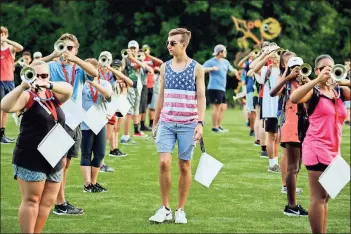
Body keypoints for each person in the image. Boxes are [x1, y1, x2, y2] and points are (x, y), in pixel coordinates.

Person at [1, 61, 73, 233]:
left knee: (48, 201)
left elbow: (69, 89)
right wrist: (22, 87)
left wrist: (48, 84)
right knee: (32, 200)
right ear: (29, 75)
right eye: (36, 75)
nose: (40, 79)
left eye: (44, 75)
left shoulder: (53, 94)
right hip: (31, 155)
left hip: (54, 154)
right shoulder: (27, 95)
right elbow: (5, 106)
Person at [149, 28, 205, 224]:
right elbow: (161, 95)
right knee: (164, 163)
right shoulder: (164, 67)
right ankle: (165, 208)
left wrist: (200, 123)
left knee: (184, 165)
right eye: (168, 42)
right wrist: (155, 123)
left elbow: (201, 97)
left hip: (189, 123)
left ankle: (180, 209)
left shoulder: (197, 68)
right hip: (167, 122)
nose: (168, 46)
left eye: (173, 43)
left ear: (184, 44)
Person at [290, 54, 350, 233]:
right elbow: (294, 98)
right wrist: (316, 80)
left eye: (331, 68)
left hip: (334, 150)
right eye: (324, 67)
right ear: (316, 70)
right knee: (318, 197)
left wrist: (342, 82)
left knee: (325, 197)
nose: (328, 71)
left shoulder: (338, 92)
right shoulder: (313, 92)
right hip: (316, 147)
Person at [41, 33, 98, 215]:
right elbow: (31, 67)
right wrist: (52, 55)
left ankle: (58, 200)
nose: (66, 51)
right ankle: (59, 203)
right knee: (60, 161)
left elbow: (95, 72)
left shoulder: (79, 70)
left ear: (76, 50)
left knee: (67, 164)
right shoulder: (52, 66)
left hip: (74, 120)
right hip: (57, 118)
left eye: (70, 47)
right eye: (63, 47)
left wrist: (75, 59)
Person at [270, 54, 308, 216]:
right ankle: (291, 205)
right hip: (291, 127)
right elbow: (273, 93)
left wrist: (307, 81)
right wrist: (288, 77)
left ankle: (292, 203)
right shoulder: (287, 85)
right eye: (295, 68)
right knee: (293, 168)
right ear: (290, 70)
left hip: (305, 128)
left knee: (298, 167)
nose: (298, 71)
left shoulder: (307, 83)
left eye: (300, 68)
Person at [80, 58, 112, 192]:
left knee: (99, 153)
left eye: (92, 69)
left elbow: (108, 95)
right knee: (86, 153)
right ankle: (87, 184)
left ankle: (94, 182)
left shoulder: (104, 83)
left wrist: (93, 83)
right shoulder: (80, 84)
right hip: (85, 122)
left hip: (99, 122)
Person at [253, 44, 281, 172]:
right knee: (272, 136)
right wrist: (266, 56)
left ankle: (276, 161)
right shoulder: (267, 69)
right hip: (270, 107)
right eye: (275, 54)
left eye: (278, 53)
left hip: (281, 107)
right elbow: (254, 69)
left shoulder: (284, 70)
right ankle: (271, 164)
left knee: (278, 136)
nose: (277, 56)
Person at [120, 40, 153, 144]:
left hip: (138, 87)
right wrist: (126, 58)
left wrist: (134, 58)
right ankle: (125, 136)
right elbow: (120, 70)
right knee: (129, 113)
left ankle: (130, 134)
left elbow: (149, 69)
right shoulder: (126, 59)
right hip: (130, 88)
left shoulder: (138, 59)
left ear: (138, 49)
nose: (133, 50)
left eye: (134, 48)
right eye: (131, 48)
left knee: (135, 112)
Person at [203, 44, 238, 133]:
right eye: (224, 51)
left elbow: (231, 69)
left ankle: (219, 126)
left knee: (223, 107)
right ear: (220, 52)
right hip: (214, 88)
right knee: (217, 107)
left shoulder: (225, 62)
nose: (226, 53)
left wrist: (235, 71)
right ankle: (214, 127)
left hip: (222, 88)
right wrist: (211, 68)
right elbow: (201, 69)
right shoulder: (211, 61)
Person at [104, 59, 134, 158]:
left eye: (118, 67)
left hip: (121, 104)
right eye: (115, 67)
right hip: (113, 105)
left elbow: (129, 84)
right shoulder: (110, 77)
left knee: (117, 128)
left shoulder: (124, 77)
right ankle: (113, 149)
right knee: (113, 127)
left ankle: (115, 148)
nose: (116, 68)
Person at [0, 26, 23, 144]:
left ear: (6, 35)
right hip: (0, 82)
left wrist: (6, 41)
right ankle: (1, 134)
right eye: (0, 34)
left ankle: (5, 134)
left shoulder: (10, 48)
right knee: (2, 108)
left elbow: (21, 47)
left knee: (14, 107)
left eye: (3, 34)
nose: (1, 36)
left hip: (10, 81)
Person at [142, 44, 163, 129]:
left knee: (152, 105)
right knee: (145, 106)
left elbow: (161, 62)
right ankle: (143, 124)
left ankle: (151, 123)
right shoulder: (141, 58)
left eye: (146, 49)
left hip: (152, 84)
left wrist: (149, 55)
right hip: (145, 84)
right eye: (143, 49)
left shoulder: (151, 59)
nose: (145, 51)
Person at [238, 50, 257, 136]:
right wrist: (248, 56)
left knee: (255, 111)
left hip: (257, 88)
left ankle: (254, 129)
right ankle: (252, 129)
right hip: (251, 88)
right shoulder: (249, 64)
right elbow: (239, 64)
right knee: (252, 110)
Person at [344, 58, 350, 125]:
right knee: (348, 107)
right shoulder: (344, 72)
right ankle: (347, 120)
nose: (346, 66)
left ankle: (348, 120)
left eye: (348, 64)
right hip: (346, 90)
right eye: (345, 64)